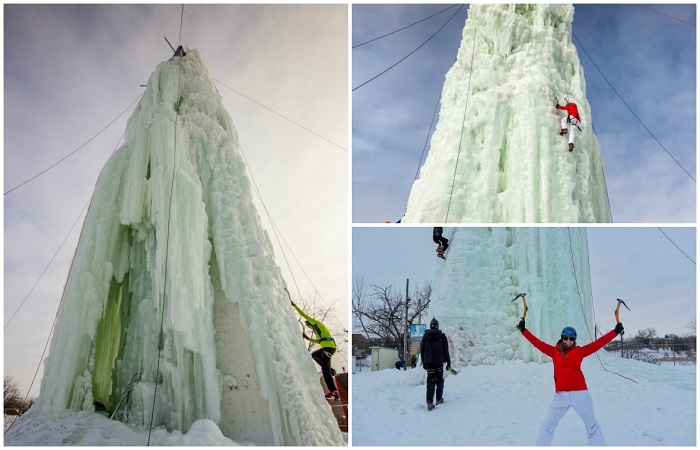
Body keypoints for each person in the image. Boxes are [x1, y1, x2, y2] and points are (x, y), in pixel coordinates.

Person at [517, 318, 624, 445]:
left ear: (574, 340)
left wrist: (615, 332)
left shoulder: (580, 351)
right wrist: (524, 331)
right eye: (566, 338)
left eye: (571, 339)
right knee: (547, 427)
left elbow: (598, 343)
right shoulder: (553, 351)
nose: (568, 341)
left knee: (592, 427)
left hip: (580, 395)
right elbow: (537, 343)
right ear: (562, 338)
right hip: (560, 397)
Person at [291, 299, 339, 400]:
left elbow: (303, 314)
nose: (309, 328)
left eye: (308, 326)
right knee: (314, 355)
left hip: (329, 348)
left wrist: (294, 305)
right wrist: (307, 338)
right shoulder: (318, 331)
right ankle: (331, 370)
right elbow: (319, 341)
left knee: (325, 370)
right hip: (326, 347)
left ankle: (333, 391)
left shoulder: (316, 324)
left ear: (309, 323)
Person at [419, 317, 452, 410]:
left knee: (430, 382)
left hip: (429, 362)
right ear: (437, 326)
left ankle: (429, 401)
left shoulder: (425, 336)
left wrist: (424, 362)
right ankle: (438, 399)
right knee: (440, 381)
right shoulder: (442, 336)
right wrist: (448, 363)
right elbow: (446, 351)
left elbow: (422, 350)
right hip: (439, 363)